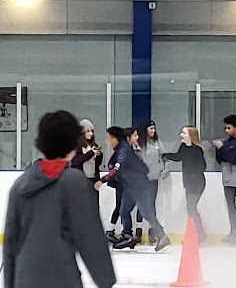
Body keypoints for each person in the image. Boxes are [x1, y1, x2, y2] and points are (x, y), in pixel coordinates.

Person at [3, 110, 116, 288]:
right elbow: (90, 236)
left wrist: (10, 283)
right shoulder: (73, 182)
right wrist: (105, 279)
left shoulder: (20, 185)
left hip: (24, 280)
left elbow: (11, 242)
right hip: (61, 278)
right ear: (73, 144)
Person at [95, 126, 171, 252]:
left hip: (138, 186)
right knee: (124, 211)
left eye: (108, 138)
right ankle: (127, 235)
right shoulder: (122, 149)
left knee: (145, 212)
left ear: (116, 139)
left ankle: (162, 235)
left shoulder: (123, 151)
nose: (106, 140)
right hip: (130, 186)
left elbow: (117, 169)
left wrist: (102, 180)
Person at [163, 126, 207, 243]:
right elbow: (178, 157)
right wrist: (165, 155)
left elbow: (202, 166)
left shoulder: (197, 150)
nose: (181, 135)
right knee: (190, 208)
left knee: (191, 207)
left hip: (197, 183)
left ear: (190, 135)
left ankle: (199, 234)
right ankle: (199, 233)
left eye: (183, 133)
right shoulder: (184, 147)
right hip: (188, 182)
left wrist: (193, 173)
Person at [105, 127, 142, 244]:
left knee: (123, 208)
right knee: (121, 208)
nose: (137, 138)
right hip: (123, 183)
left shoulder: (131, 149)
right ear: (128, 138)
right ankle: (123, 233)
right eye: (135, 136)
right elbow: (113, 164)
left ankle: (124, 233)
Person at [214, 115, 236, 244]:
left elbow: (235, 159)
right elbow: (220, 160)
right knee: (230, 206)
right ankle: (233, 232)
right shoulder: (227, 142)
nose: (226, 130)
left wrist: (222, 148)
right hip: (227, 178)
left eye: (229, 128)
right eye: (225, 128)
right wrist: (218, 149)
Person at [138, 120, 169, 244]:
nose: (153, 131)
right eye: (150, 129)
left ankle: (153, 230)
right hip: (141, 179)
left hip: (153, 178)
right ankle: (138, 230)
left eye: (154, 128)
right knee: (140, 205)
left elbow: (164, 156)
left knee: (151, 204)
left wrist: (165, 169)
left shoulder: (157, 143)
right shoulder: (140, 143)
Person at [71, 119, 103, 207]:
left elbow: (97, 164)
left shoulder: (93, 145)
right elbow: (75, 161)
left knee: (94, 205)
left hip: (93, 179)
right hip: (82, 179)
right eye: (88, 131)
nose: (90, 134)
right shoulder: (77, 146)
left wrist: (99, 155)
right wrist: (91, 153)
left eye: (92, 131)